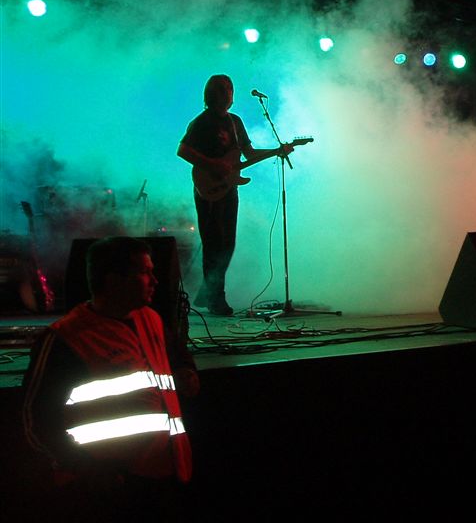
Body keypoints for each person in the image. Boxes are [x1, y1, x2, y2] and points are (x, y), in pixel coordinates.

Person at [21, 237, 198, 519]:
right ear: (114, 280)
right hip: (108, 487)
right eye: (145, 272)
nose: (155, 280)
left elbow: (177, 356)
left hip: (165, 472)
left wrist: (187, 372)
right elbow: (36, 418)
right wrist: (85, 468)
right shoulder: (66, 338)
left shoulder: (152, 320)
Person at [176, 74, 293, 316]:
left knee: (227, 244)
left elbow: (249, 154)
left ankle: (209, 292)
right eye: (223, 89)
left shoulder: (235, 121)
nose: (228, 93)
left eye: (229, 88)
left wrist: (277, 150)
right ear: (212, 94)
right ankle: (215, 298)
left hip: (229, 188)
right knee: (213, 244)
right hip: (208, 189)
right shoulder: (202, 121)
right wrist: (214, 165)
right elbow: (183, 150)